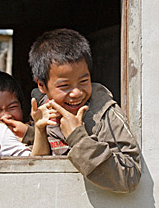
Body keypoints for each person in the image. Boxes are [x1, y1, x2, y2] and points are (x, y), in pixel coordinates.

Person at [27, 28, 142, 193]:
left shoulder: (104, 113)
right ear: (42, 85)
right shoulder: (42, 108)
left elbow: (130, 176)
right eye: (64, 86)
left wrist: (78, 138)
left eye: (83, 81)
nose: (77, 93)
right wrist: (39, 129)